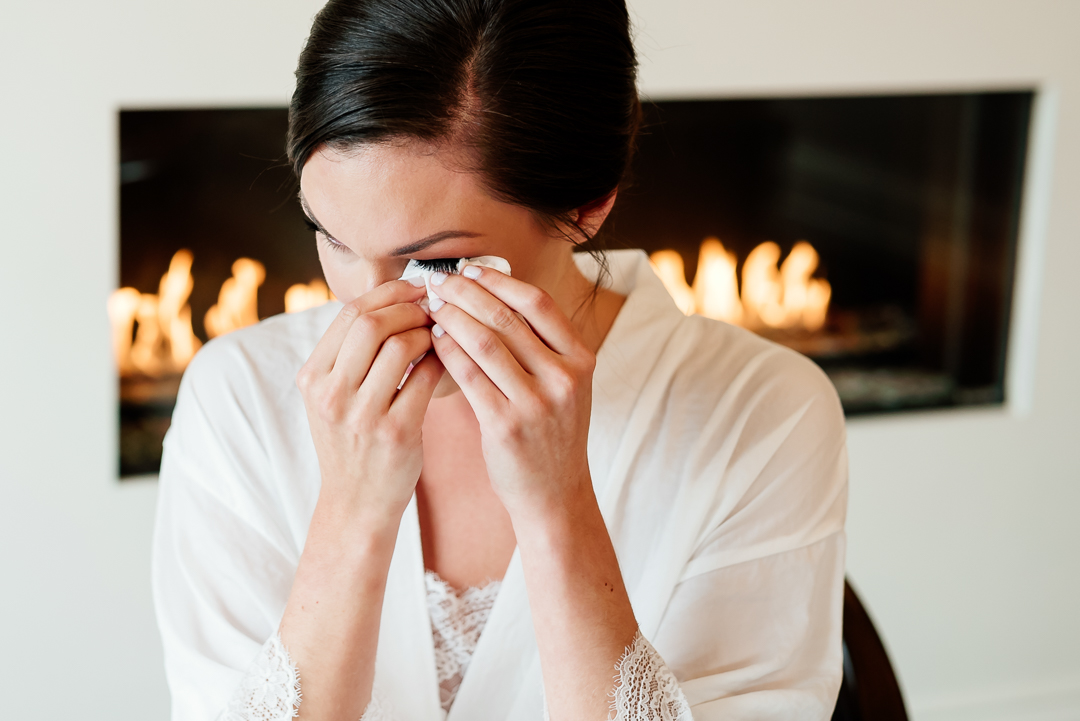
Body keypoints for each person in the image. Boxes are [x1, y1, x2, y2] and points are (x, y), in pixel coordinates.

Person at [152, 0, 849, 719]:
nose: (368, 305)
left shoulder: (761, 411)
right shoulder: (238, 396)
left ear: (588, 204)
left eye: (434, 262)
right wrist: (352, 515)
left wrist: (558, 509)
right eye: (328, 234)